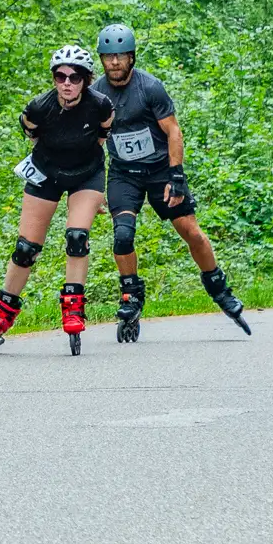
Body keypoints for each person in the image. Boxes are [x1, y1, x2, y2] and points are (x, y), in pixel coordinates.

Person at [95, 23, 251, 342]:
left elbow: (173, 131)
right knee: (122, 235)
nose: (115, 62)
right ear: (101, 60)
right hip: (124, 174)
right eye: (109, 57)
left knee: (190, 231)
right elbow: (93, 143)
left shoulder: (150, 87)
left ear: (132, 57)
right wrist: (95, 187)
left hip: (159, 171)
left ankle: (219, 288)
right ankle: (131, 298)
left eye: (121, 56)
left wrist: (176, 176)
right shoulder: (96, 94)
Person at [0, 45, 115, 356]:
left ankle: (73, 308)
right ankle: (1, 317)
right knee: (26, 248)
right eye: (60, 77)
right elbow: (33, 136)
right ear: (54, 79)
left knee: (77, 237)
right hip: (46, 171)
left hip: (87, 173)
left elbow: (103, 135)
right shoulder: (37, 108)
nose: (67, 83)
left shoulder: (101, 104)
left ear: (86, 80)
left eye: (75, 77)